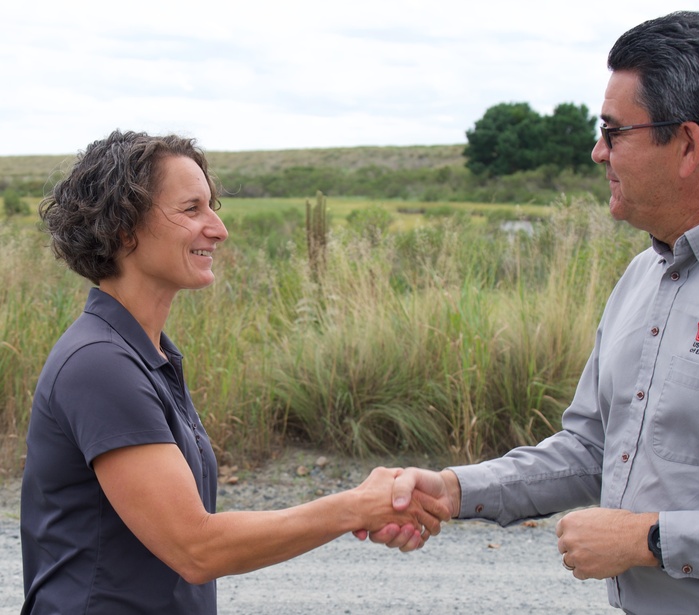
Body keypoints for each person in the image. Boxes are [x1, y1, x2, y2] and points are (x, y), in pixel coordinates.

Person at [374, 11, 699, 615]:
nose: (598, 152)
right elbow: (594, 450)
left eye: (613, 130)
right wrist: (452, 489)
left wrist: (649, 540)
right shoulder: (644, 276)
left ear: (686, 145)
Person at [20, 130, 446, 614]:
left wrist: (371, 504)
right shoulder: (99, 365)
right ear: (124, 228)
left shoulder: (145, 355)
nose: (218, 228)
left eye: (212, 206)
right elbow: (196, 548)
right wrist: (355, 506)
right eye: (191, 209)